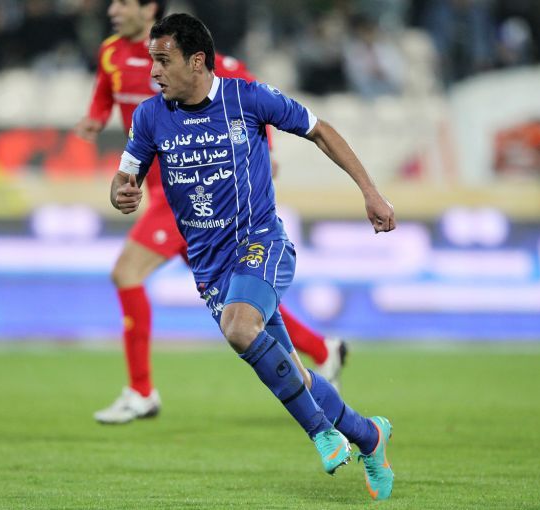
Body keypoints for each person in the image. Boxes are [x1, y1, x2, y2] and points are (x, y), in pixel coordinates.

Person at [111, 13, 395, 500]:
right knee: (292, 371)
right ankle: (369, 435)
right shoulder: (149, 117)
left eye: (163, 60)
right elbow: (125, 176)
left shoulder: (247, 98)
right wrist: (122, 192)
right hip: (210, 266)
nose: (153, 72)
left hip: (261, 242)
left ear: (196, 61)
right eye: (151, 60)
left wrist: (370, 192)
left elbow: (320, 130)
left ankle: (322, 433)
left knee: (240, 328)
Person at [75, 0, 347, 425]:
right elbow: (104, 98)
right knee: (242, 300)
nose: (113, 9)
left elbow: (255, 107)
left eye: (124, 1)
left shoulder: (210, 65)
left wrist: (267, 152)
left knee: (127, 273)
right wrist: (94, 120)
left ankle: (141, 391)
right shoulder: (110, 53)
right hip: (171, 196)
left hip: (194, 196)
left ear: (149, 8)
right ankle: (320, 348)